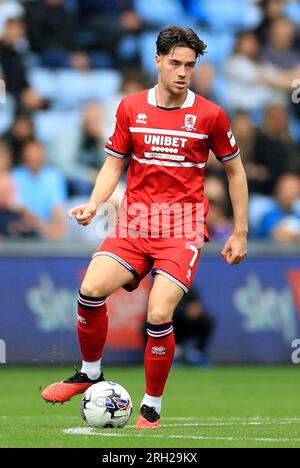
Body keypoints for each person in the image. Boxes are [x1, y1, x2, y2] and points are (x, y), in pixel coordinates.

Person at [41, 26, 248, 429]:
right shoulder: (130, 107)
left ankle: (151, 407)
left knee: (158, 312)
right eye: (175, 63)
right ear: (157, 61)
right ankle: (90, 372)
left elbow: (235, 172)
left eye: (190, 65)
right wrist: (95, 203)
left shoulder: (210, 115)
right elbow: (114, 164)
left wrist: (239, 232)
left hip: (183, 228)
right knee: (90, 289)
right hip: (134, 223)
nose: (183, 72)